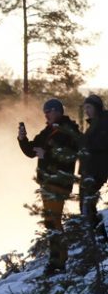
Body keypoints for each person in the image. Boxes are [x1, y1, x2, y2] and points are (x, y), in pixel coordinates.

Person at [18, 98, 81, 274]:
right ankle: (56, 259)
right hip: (48, 182)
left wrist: (47, 154)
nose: (46, 114)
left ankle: (59, 261)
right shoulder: (49, 130)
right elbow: (32, 151)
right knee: (50, 222)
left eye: (49, 110)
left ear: (58, 111)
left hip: (59, 182)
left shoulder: (68, 130)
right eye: (44, 111)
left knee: (54, 221)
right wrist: (23, 140)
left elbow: (68, 156)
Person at [79, 94, 108, 241]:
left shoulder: (104, 123)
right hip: (88, 171)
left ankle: (101, 240)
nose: (86, 111)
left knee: (87, 207)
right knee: (86, 207)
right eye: (85, 108)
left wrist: (86, 146)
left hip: (96, 171)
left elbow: (101, 145)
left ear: (97, 107)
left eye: (89, 107)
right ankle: (97, 240)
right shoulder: (94, 124)